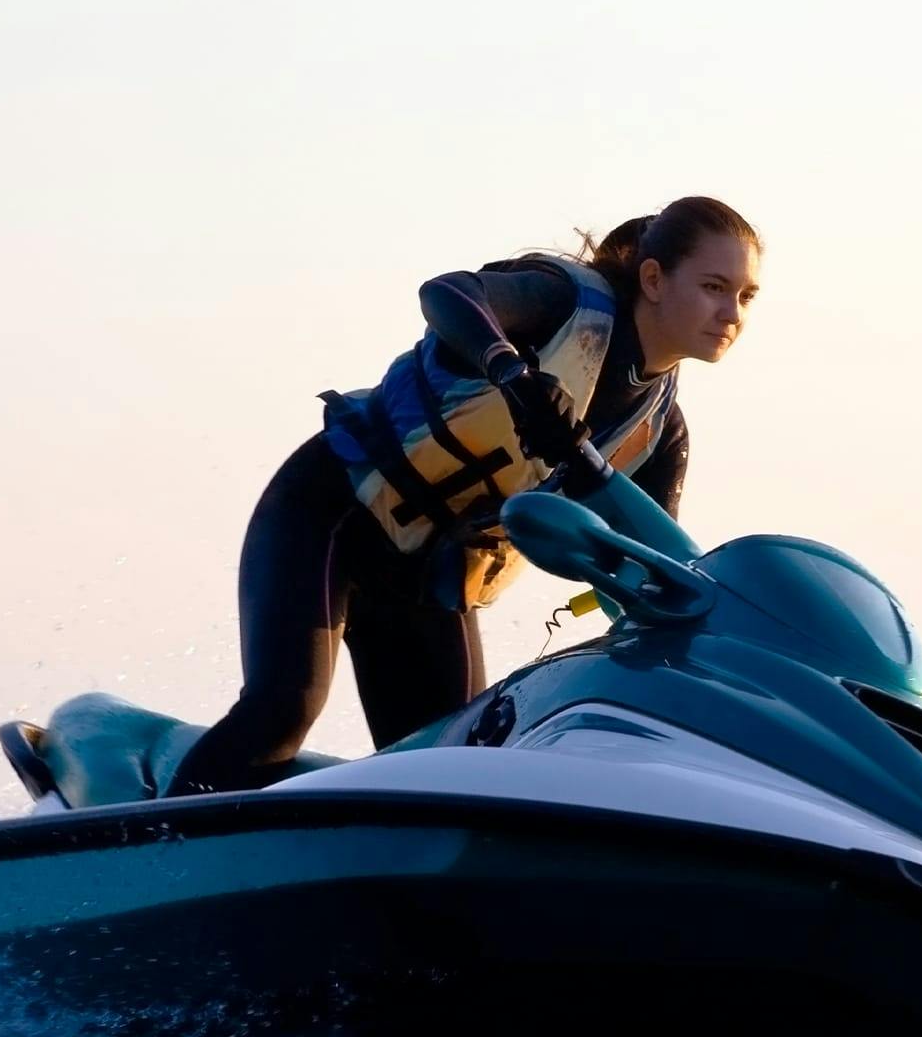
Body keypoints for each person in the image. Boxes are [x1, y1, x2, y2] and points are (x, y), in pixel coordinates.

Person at [167, 195, 762, 795]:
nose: (731, 312)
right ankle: (139, 853)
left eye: (745, 296)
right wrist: (512, 374)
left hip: (427, 579)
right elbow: (445, 294)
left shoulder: (658, 432)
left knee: (453, 774)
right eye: (715, 286)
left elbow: (654, 572)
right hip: (333, 512)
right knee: (281, 711)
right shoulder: (564, 305)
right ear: (654, 279)